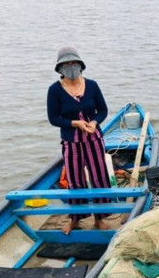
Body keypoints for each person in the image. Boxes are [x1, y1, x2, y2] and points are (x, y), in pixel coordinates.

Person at [47, 46, 112, 234]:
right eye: (66, 64)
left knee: (99, 177)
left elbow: (103, 111)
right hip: (71, 142)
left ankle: (100, 217)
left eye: (73, 62)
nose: (70, 67)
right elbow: (54, 119)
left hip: (94, 140)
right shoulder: (55, 90)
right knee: (75, 180)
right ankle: (75, 219)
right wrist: (75, 123)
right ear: (60, 68)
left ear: (80, 65)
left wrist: (94, 122)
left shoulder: (92, 85)